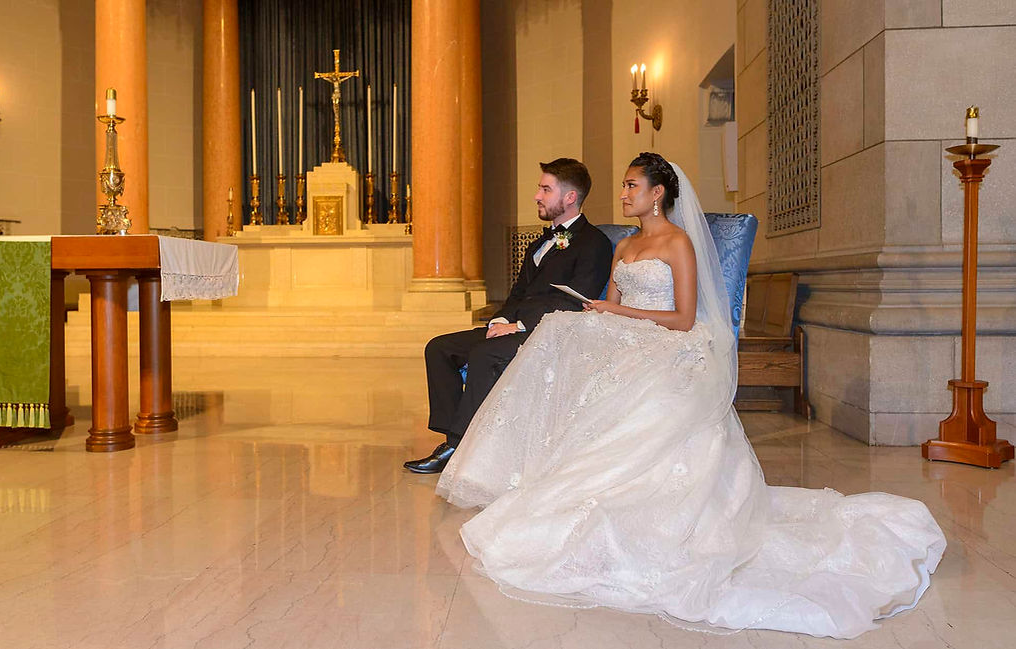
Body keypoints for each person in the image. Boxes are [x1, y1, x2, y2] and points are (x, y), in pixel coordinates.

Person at [436, 152, 946, 639]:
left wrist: (619, 316)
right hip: (622, 332)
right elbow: (609, 304)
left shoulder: (677, 243)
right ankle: (524, 460)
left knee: (609, 371)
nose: (624, 193)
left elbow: (682, 319)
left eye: (632, 185)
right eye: (624, 185)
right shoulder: (623, 247)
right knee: (557, 334)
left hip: (667, 341)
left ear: (657, 193)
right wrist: (593, 312)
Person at [404, 158, 614, 474]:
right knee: (439, 348)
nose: (537, 196)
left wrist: (519, 325)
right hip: (515, 327)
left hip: (552, 333)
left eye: (545, 189)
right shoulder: (539, 243)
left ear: (570, 197)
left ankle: (460, 447)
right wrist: (500, 321)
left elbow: (576, 302)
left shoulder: (594, 242)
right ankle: (451, 438)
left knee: (485, 354)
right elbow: (517, 295)